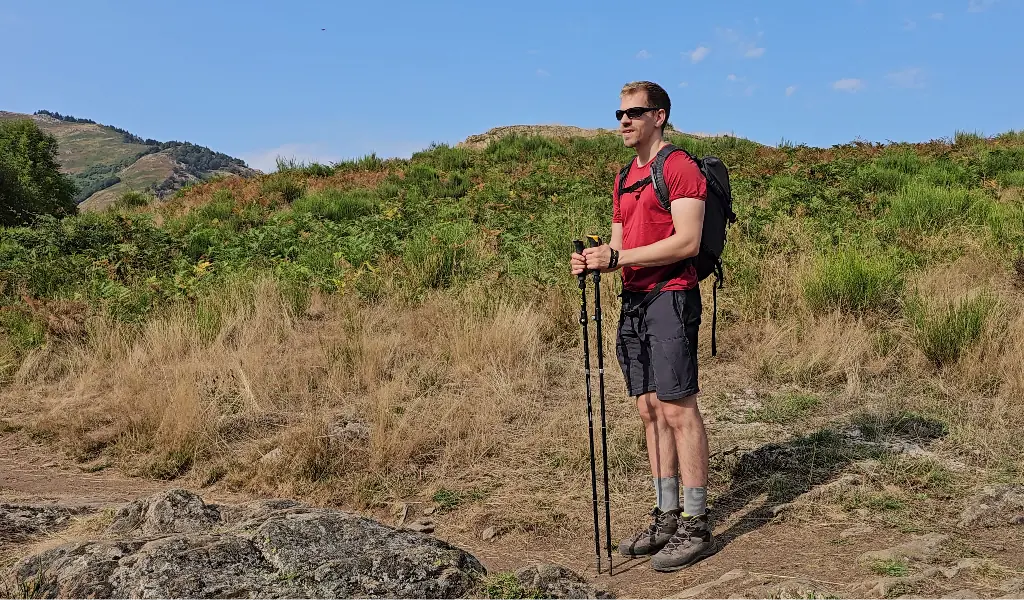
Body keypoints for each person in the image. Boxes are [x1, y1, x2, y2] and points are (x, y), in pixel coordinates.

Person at [570, 80, 715, 572]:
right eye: (619, 113)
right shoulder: (624, 177)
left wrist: (620, 255)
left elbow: (688, 241)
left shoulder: (678, 167)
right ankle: (666, 514)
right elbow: (618, 246)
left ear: (660, 117)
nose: (624, 121)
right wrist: (595, 261)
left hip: (671, 297)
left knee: (677, 407)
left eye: (634, 112)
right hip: (633, 300)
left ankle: (696, 523)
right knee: (649, 409)